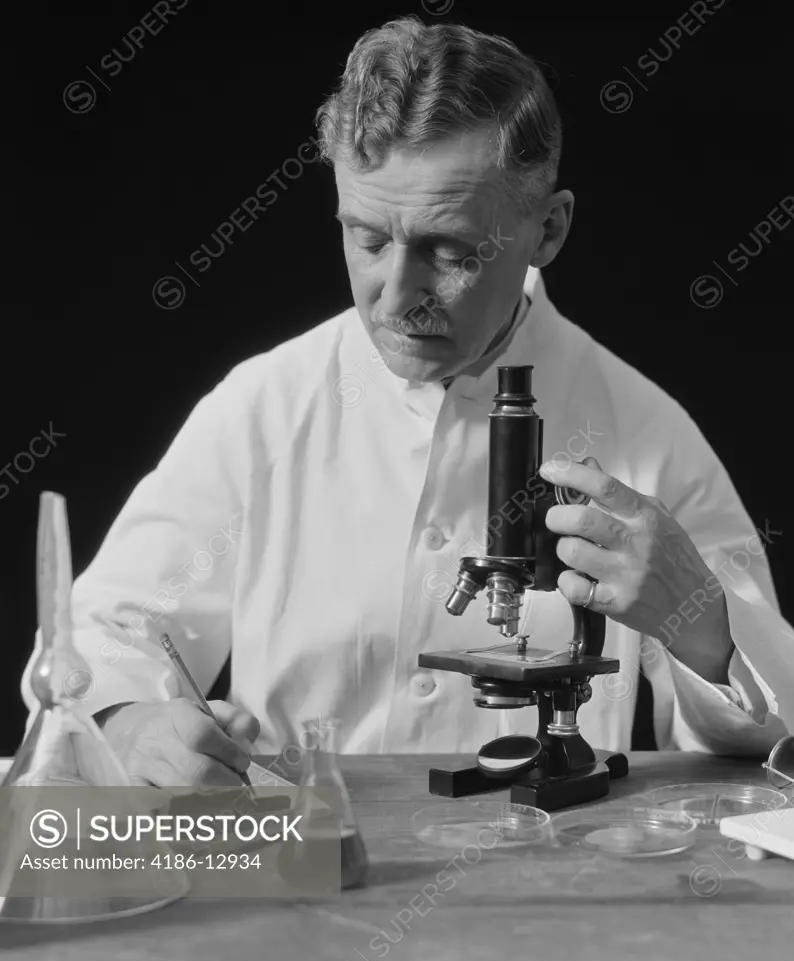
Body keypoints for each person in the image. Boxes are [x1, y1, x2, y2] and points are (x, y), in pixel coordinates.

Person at [21, 16, 793, 788]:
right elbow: (105, 632)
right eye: (367, 237)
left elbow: (774, 730)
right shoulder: (263, 409)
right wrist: (132, 723)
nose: (395, 298)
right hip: (308, 859)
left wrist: (702, 622)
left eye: (449, 252)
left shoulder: (645, 432)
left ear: (548, 229)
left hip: (557, 881)